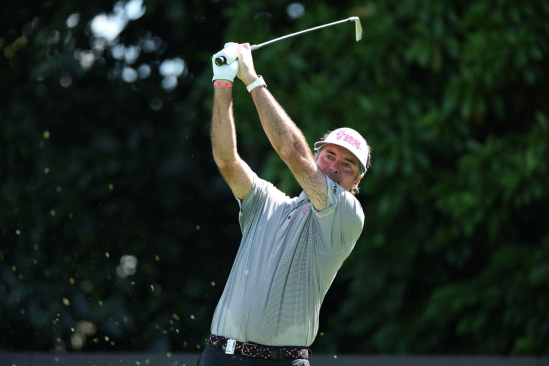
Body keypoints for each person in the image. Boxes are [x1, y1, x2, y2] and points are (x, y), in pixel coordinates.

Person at [199, 42, 372, 366]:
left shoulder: (347, 214)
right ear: (318, 156)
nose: (335, 167)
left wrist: (251, 78)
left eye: (348, 165)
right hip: (219, 356)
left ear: (356, 182)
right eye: (330, 156)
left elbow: (292, 151)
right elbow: (226, 161)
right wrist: (223, 83)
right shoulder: (268, 201)